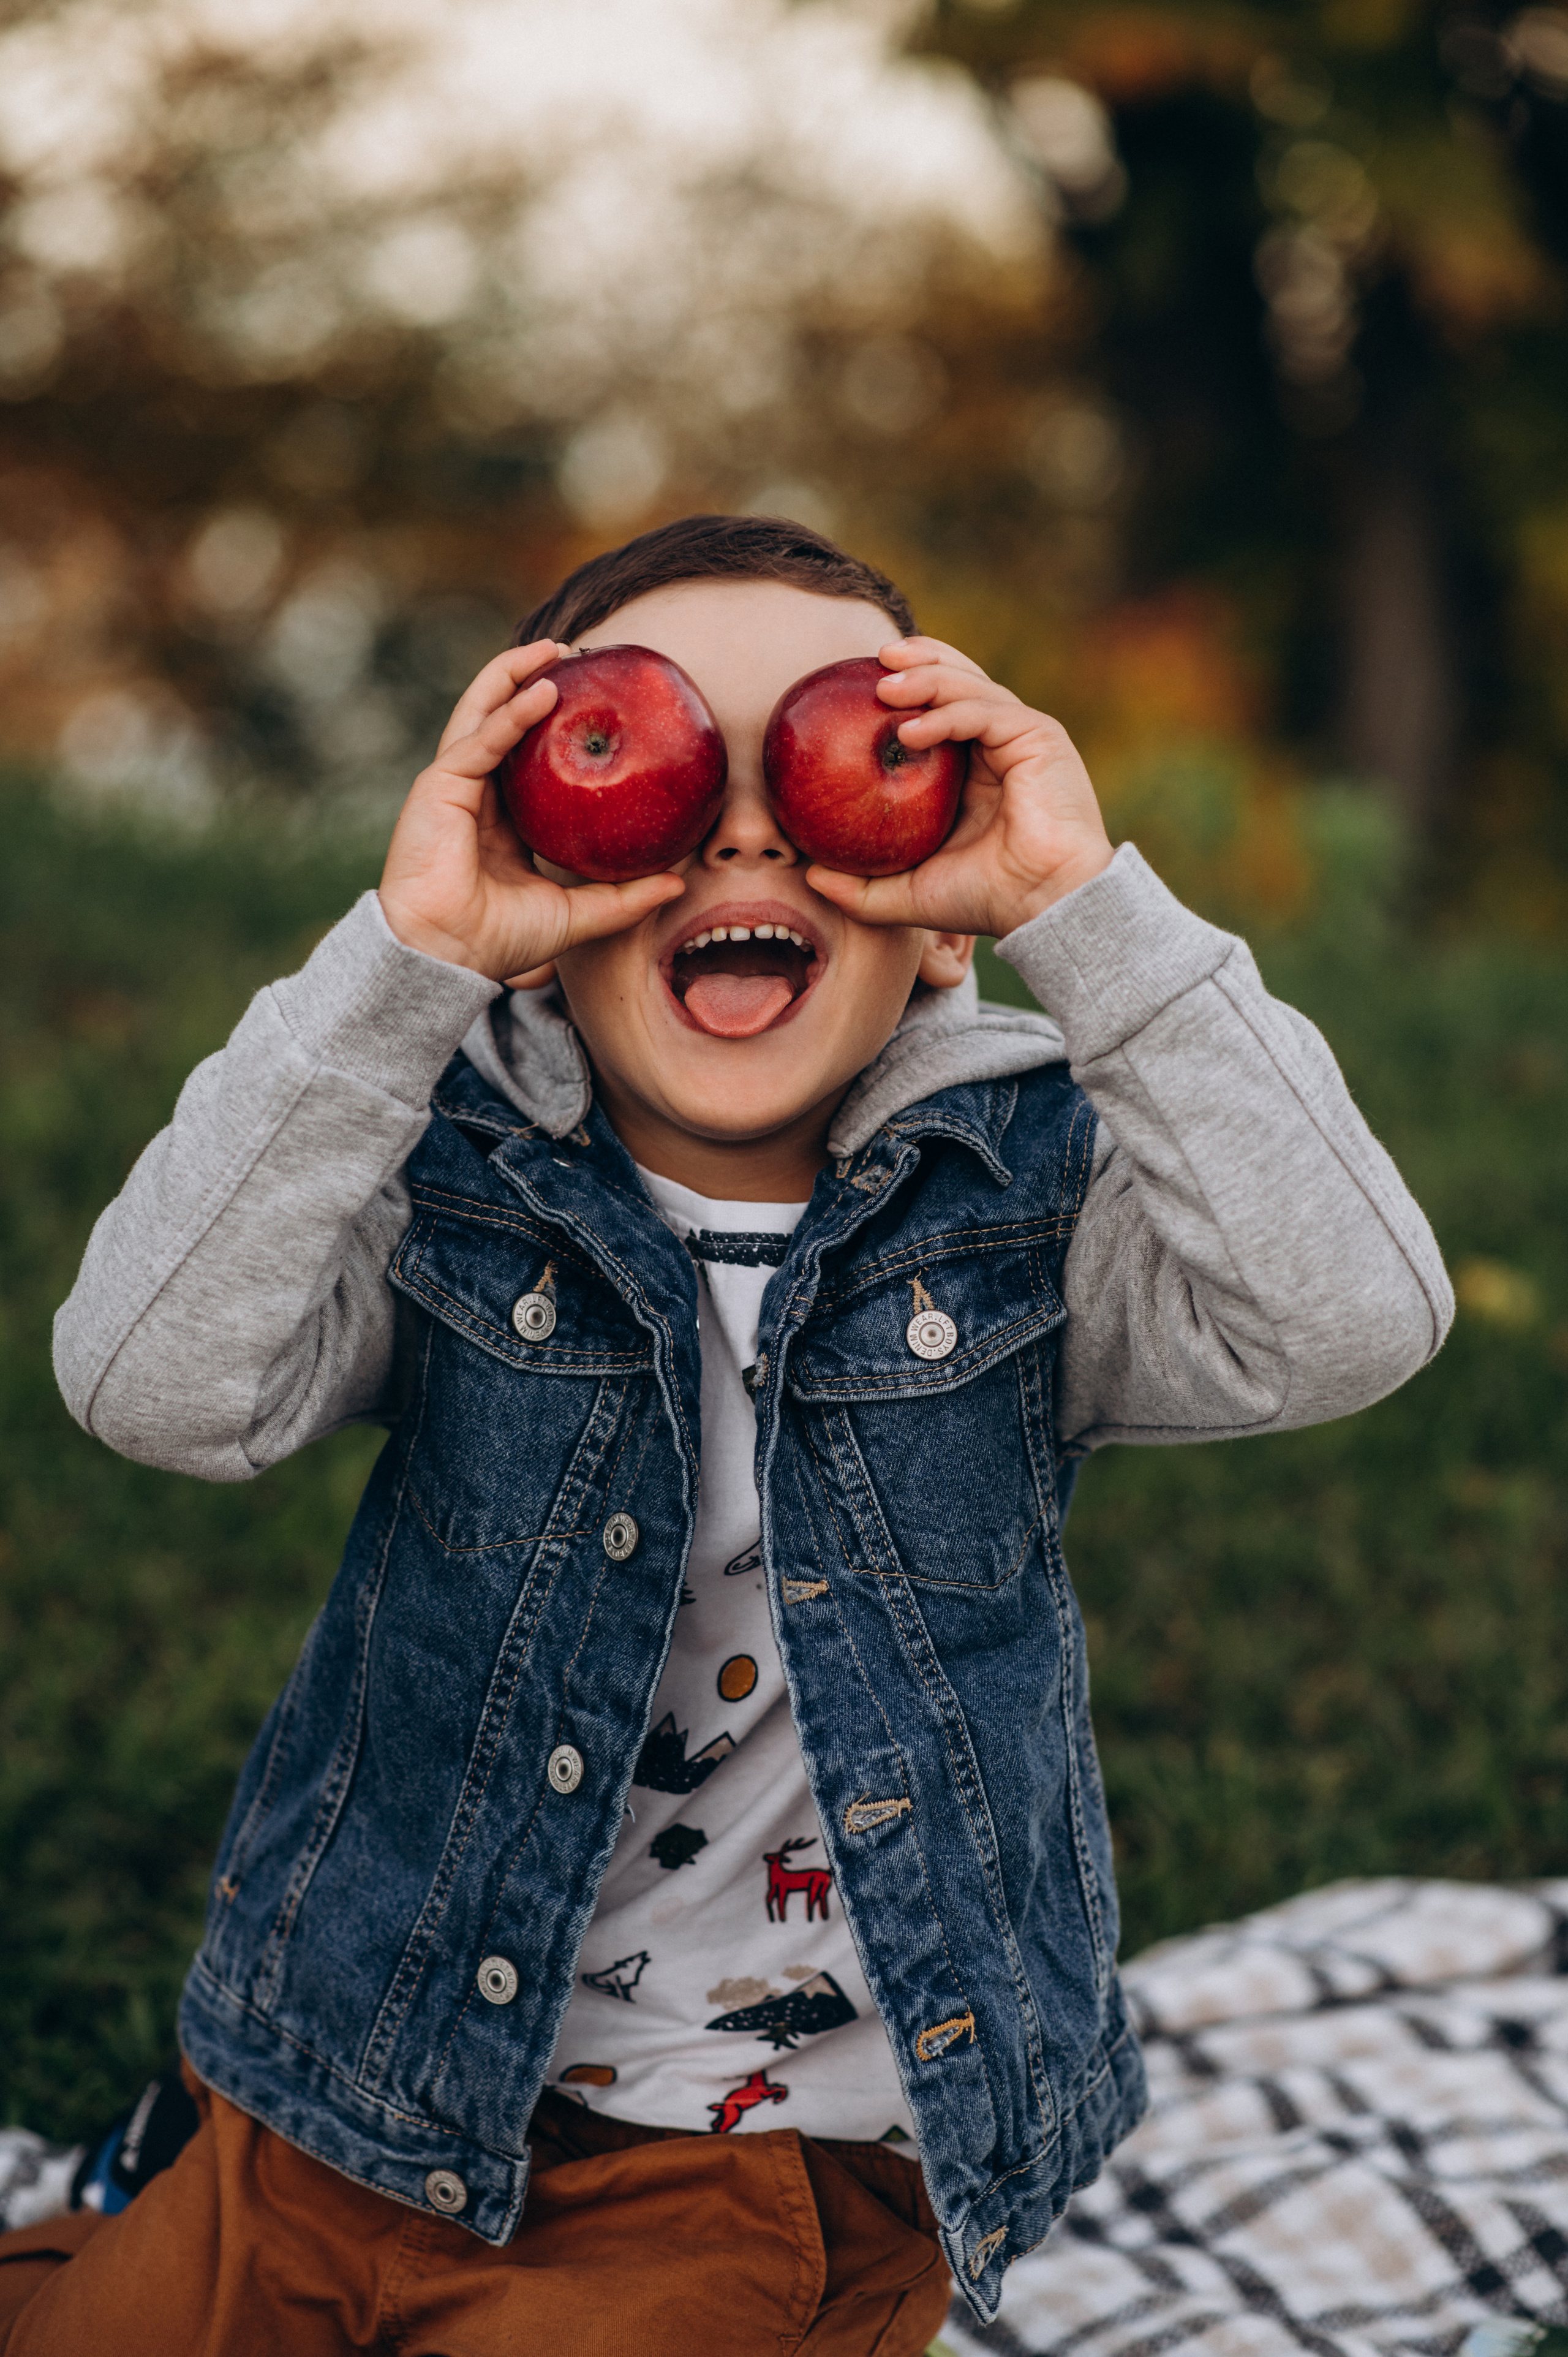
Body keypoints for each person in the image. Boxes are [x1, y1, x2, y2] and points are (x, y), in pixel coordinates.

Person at [0, 515, 1452, 2356]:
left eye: (841, 768)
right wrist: (408, 963)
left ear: (942, 923)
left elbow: (1357, 1317)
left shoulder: (1028, 1212)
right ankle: (154, 2187)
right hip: (357, 2091)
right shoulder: (451, 1180)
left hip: (754, 2164)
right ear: (538, 892)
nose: (748, 833)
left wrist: (1083, 909)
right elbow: (146, 1384)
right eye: (667, 773)